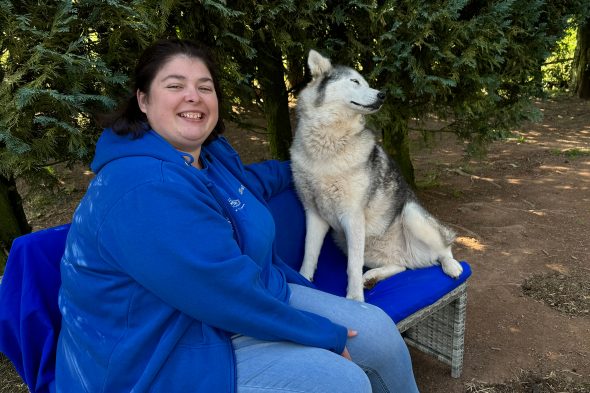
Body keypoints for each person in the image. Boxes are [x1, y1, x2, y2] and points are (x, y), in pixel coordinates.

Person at [55, 38, 420, 393]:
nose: (193, 96)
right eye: (175, 85)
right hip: (161, 351)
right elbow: (222, 291)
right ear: (143, 100)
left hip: (239, 302)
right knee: (343, 382)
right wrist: (321, 332)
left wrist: (314, 165)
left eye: (205, 86)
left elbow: (248, 186)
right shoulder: (142, 187)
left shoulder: (208, 158)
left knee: (377, 333)